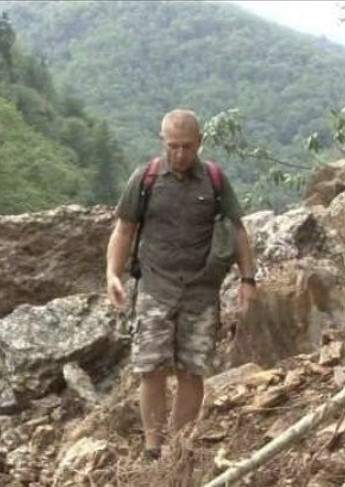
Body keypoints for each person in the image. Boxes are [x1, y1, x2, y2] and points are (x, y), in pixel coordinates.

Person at [104, 109, 258, 460]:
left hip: (201, 292)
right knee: (151, 369)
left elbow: (237, 230)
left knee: (193, 371)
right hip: (156, 288)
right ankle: (153, 448)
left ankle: (179, 445)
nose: (179, 154)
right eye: (173, 146)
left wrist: (248, 279)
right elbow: (124, 228)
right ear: (163, 142)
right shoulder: (145, 179)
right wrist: (112, 274)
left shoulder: (215, 180)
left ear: (199, 142)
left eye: (187, 146)